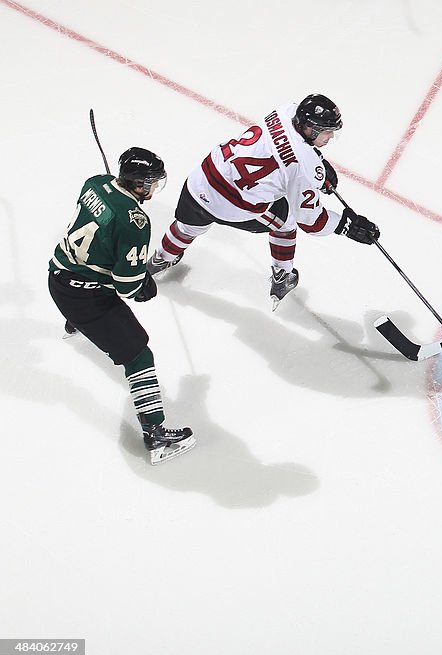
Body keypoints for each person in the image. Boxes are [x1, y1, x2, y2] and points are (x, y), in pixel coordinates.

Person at [146, 93, 380, 310]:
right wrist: (346, 226)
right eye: (328, 132)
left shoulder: (284, 111)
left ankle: (161, 258)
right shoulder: (305, 168)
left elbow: (287, 148)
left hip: (201, 179)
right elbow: (311, 221)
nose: (330, 137)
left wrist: (315, 159)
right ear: (310, 128)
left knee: (189, 225)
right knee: (286, 223)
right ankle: (282, 276)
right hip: (231, 205)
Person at [49, 148, 196, 464]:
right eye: (153, 183)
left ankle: (76, 321)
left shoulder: (95, 182)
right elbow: (127, 286)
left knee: (94, 300)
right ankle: (155, 435)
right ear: (140, 184)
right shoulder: (135, 221)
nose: (155, 188)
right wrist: (143, 284)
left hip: (58, 279)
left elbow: (99, 228)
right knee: (138, 354)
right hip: (83, 297)